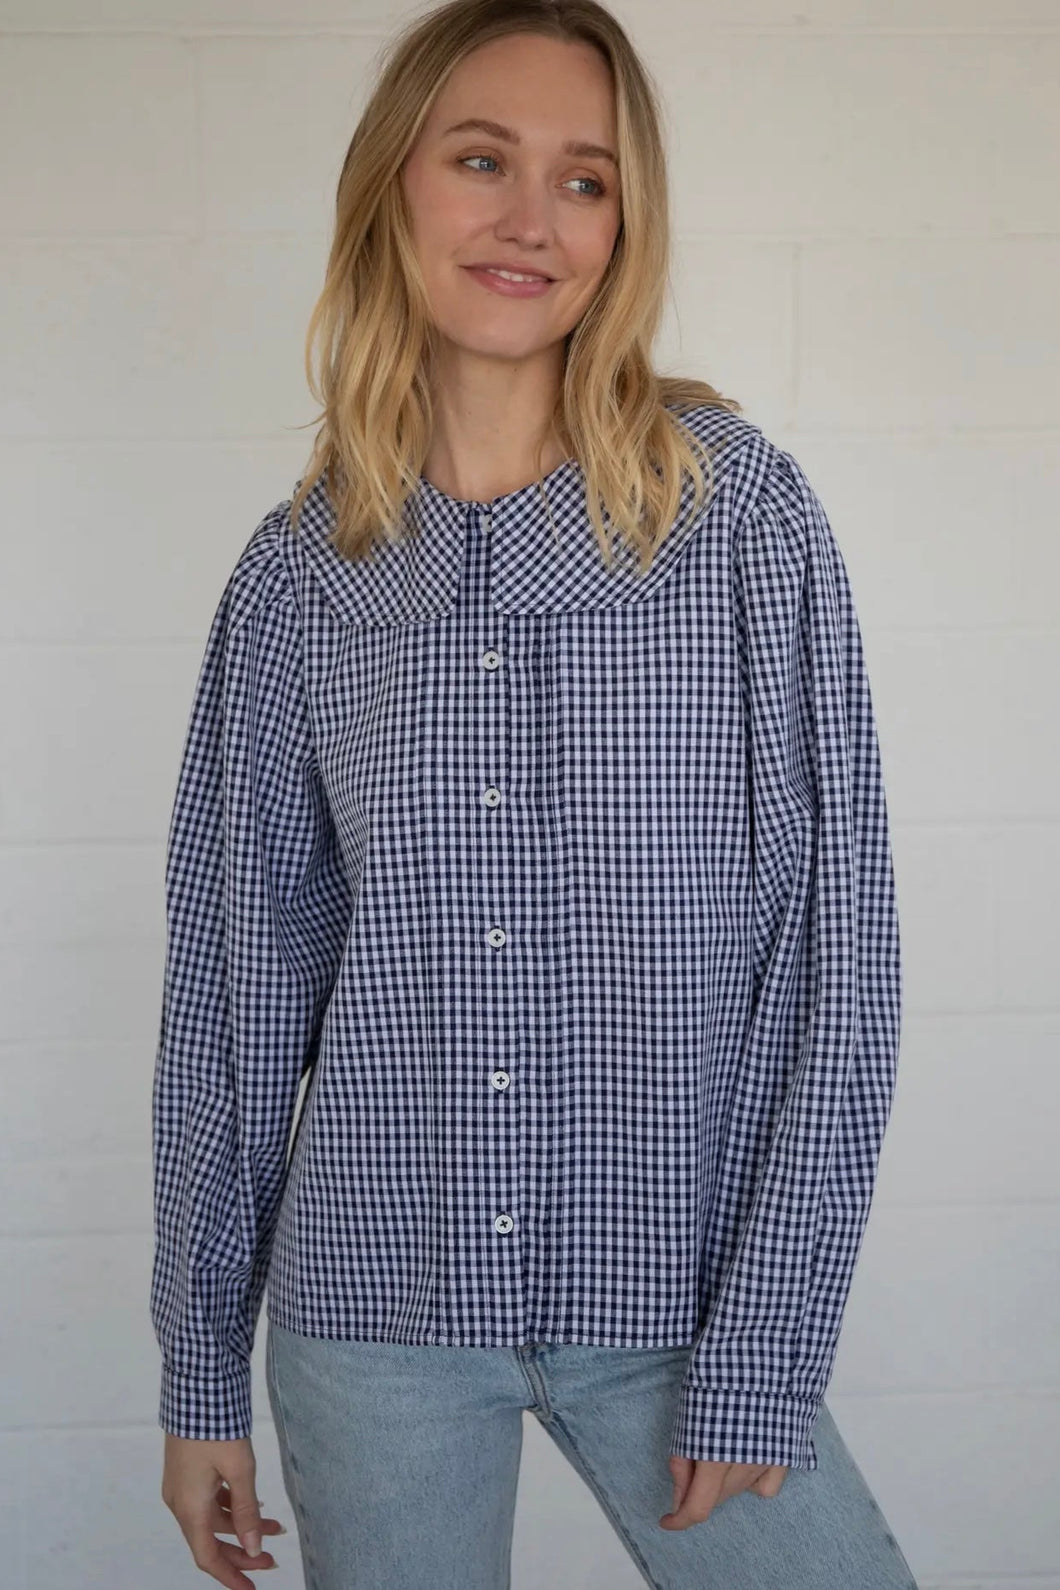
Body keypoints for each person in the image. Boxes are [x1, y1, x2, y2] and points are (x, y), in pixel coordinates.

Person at [150, 2, 919, 1586]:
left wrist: (766, 1329)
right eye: (482, 159)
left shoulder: (738, 523)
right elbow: (237, 999)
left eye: (586, 179)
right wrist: (195, 1366)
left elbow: (838, 949)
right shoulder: (297, 585)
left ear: (626, 225)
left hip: (686, 1307)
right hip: (375, 1319)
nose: (530, 219)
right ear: (393, 187)